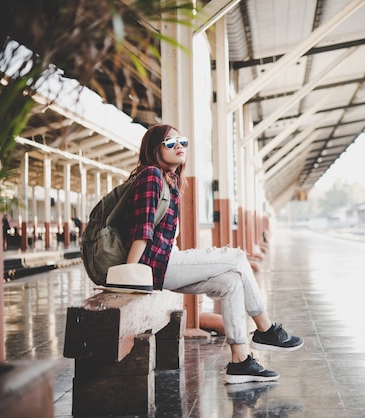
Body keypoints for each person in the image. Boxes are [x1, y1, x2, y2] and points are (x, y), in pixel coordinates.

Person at [119, 124, 303, 384]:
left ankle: (240, 360)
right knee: (237, 257)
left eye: (182, 141)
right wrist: (129, 272)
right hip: (157, 264)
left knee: (230, 283)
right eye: (170, 143)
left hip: (164, 262)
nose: (179, 146)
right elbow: (142, 229)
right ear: (154, 149)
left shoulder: (168, 180)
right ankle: (266, 329)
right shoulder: (151, 174)